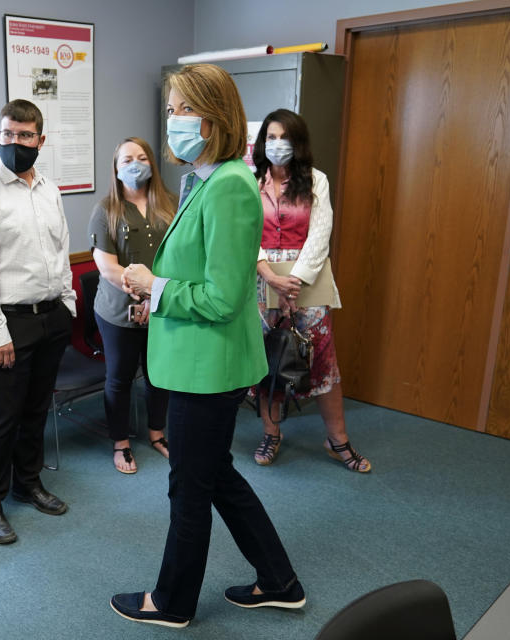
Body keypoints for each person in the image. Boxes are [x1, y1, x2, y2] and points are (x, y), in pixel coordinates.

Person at [109, 64, 305, 628]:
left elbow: (221, 297)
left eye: (179, 110)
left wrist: (156, 285)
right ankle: (280, 580)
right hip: (200, 361)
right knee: (215, 476)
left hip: (209, 368)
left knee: (189, 489)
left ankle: (172, 603)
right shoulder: (208, 181)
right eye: (168, 110)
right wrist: (158, 288)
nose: (170, 122)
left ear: (214, 117)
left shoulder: (229, 188)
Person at [0, 99, 76, 545]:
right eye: (8, 134)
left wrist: (68, 305)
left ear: (40, 141)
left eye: (26, 136)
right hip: (6, 322)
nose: (16, 142)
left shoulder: (48, 188)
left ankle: (28, 483)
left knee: (36, 409)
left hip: (50, 318)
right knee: (2, 417)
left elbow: (60, 250)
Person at [250, 109, 371, 473]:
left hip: (308, 280)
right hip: (261, 280)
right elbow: (243, 232)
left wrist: (294, 282)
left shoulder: (316, 180)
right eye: (270, 137)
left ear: (298, 142)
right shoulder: (248, 180)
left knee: (321, 362)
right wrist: (270, 276)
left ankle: (338, 440)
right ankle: (272, 433)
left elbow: (320, 234)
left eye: (284, 137)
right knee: (268, 361)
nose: (277, 144)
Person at [87, 137, 175, 474]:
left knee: (159, 375)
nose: (134, 164)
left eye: (141, 157)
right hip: (117, 310)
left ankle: (157, 433)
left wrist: (158, 293)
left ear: (152, 163)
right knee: (120, 378)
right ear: (116, 167)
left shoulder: (168, 203)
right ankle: (121, 443)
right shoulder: (105, 210)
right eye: (126, 159)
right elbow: (107, 267)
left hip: (163, 305)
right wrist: (141, 290)